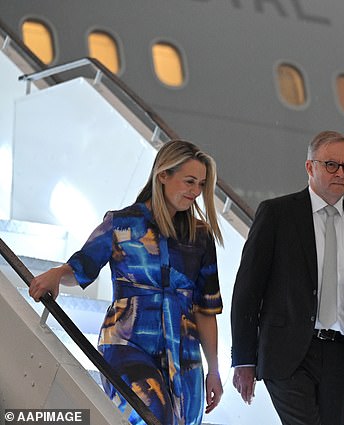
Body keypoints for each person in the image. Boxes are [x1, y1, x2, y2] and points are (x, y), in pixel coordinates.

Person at [29, 140, 224, 425]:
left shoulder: (201, 236)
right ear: (163, 176)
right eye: (189, 181)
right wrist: (57, 274)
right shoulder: (120, 223)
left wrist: (214, 370)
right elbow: (83, 266)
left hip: (183, 351)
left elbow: (206, 310)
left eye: (201, 185)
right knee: (153, 416)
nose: (195, 192)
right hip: (127, 343)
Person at [231, 130, 344, 425]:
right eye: (331, 164)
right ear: (310, 167)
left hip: (342, 356)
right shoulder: (277, 214)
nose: (340, 173)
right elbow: (247, 291)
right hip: (288, 353)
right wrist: (243, 359)